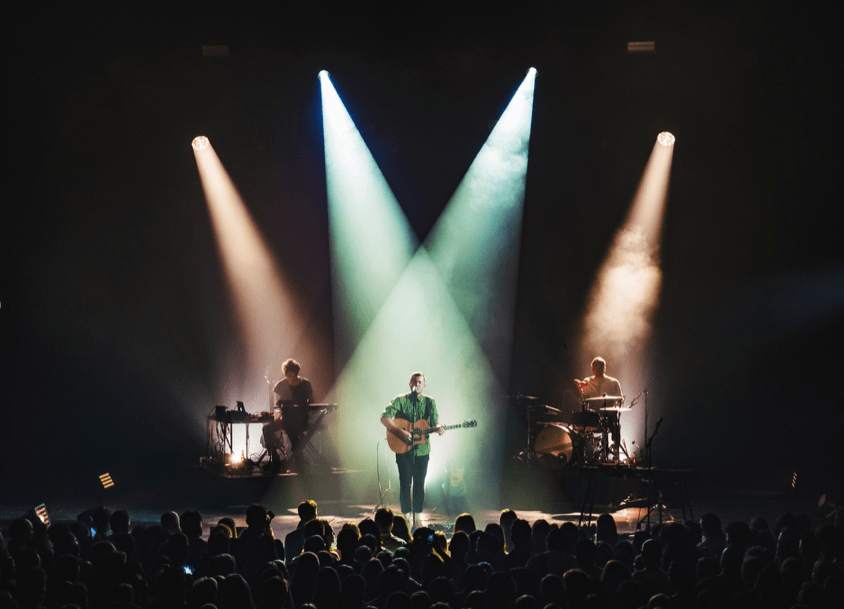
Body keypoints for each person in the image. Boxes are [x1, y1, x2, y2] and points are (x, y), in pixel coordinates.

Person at [380, 372, 444, 529]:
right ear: (410, 384)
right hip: (403, 450)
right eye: (415, 382)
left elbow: (434, 423)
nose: (417, 385)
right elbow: (384, 417)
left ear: (424, 385)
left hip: (422, 450)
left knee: (419, 484)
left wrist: (438, 429)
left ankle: (417, 517)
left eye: (420, 382)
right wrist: (400, 432)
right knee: (404, 483)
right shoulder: (400, 400)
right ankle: (406, 518)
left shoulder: (430, 402)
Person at [574, 356, 623, 461]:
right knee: (579, 426)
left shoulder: (613, 382)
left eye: (600, 367)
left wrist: (615, 410)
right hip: (592, 417)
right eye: (595, 368)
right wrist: (580, 389)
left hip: (609, 417)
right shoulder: (587, 381)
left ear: (605, 368)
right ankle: (583, 457)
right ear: (592, 369)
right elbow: (583, 400)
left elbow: (620, 401)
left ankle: (616, 455)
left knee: (616, 426)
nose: (598, 370)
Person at [272, 358, 313, 452]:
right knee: (267, 428)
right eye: (288, 374)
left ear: (297, 373)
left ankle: (297, 456)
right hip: (284, 417)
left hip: (301, 418)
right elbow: (276, 403)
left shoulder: (305, 384)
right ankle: (275, 458)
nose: (290, 377)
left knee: (290, 426)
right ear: (285, 374)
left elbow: (312, 401)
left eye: (292, 374)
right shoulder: (281, 385)